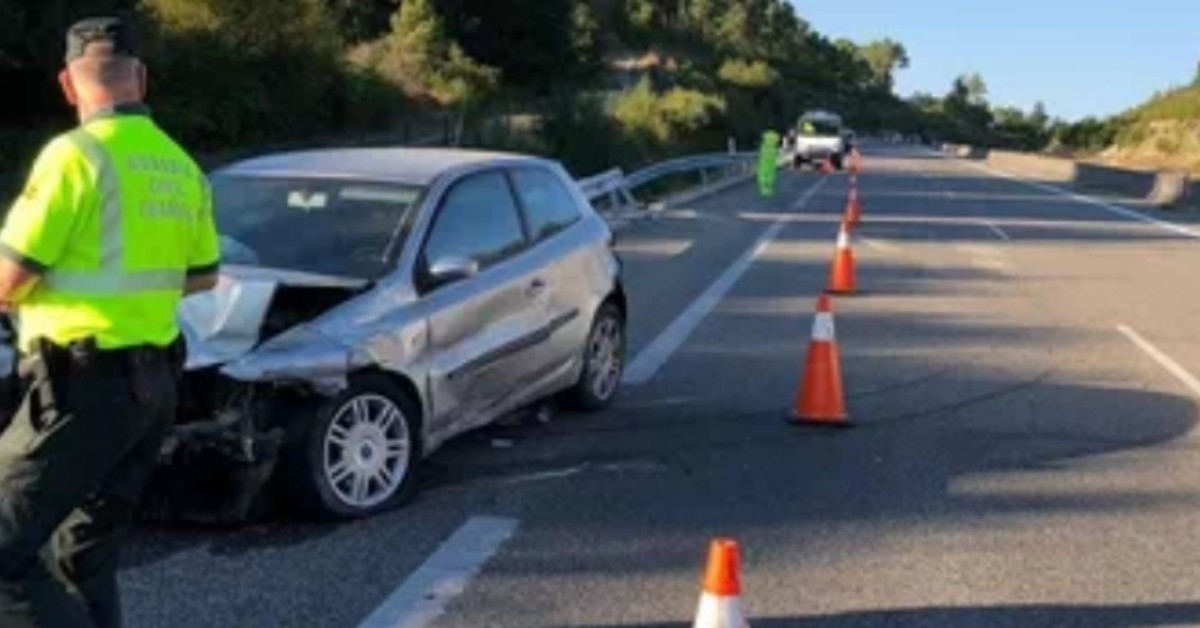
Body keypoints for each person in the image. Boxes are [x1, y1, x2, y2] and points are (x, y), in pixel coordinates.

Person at [0, 16, 220, 628]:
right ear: (141, 80)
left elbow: (9, 278)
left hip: (78, 389)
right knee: (86, 559)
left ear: (68, 86)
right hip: (150, 392)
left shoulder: (74, 157)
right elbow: (204, 276)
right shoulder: (180, 165)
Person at [756, 129, 781, 198]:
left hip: (764, 165)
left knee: (764, 177)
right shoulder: (774, 148)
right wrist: (778, 163)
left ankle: (764, 190)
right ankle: (768, 190)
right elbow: (777, 157)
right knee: (769, 177)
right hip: (770, 166)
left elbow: (761, 156)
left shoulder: (764, 147)